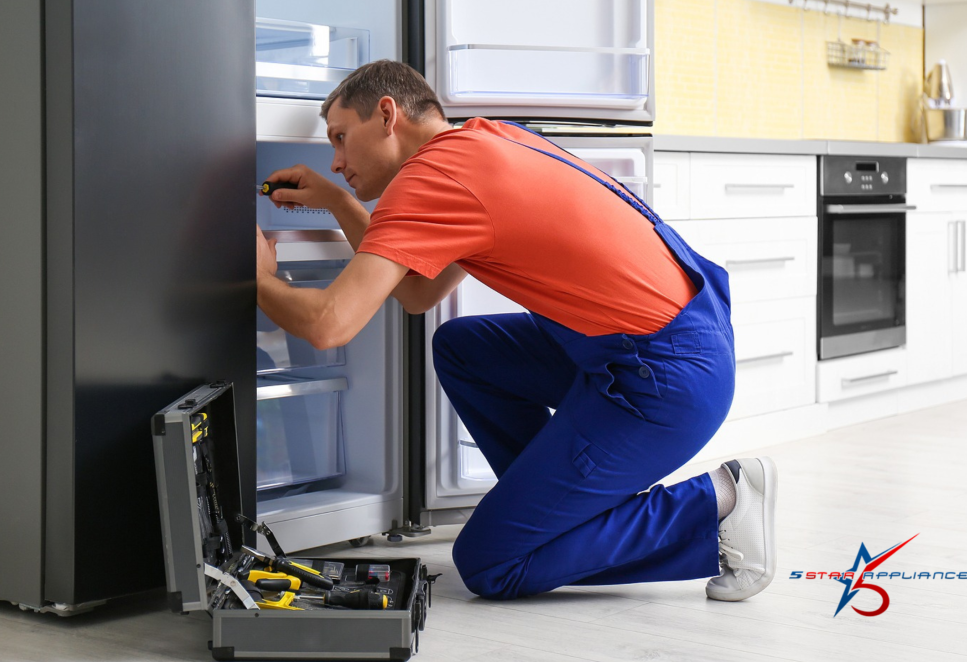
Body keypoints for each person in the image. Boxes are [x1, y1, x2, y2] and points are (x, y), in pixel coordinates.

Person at [256, 59, 778, 602]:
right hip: (685, 343)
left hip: (661, 381)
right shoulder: (493, 138)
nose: (336, 161)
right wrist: (341, 203)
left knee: (492, 564)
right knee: (463, 349)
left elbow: (327, 324)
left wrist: (257, 276)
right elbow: (418, 293)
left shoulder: (430, 179)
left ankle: (721, 502)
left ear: (387, 114)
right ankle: (548, 512)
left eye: (341, 138)